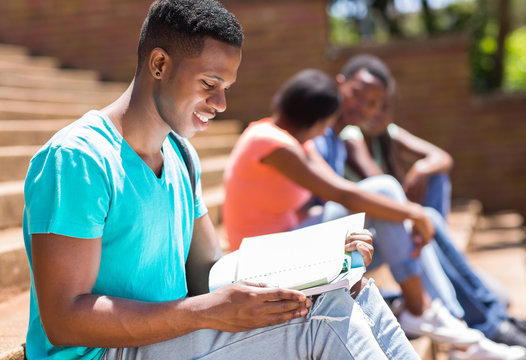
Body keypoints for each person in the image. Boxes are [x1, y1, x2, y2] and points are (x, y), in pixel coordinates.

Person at [22, 1, 423, 359]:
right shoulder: (78, 159)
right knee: (325, 321)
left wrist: (319, 256)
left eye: (226, 88)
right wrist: (208, 312)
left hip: (173, 335)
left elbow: (208, 273)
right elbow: (64, 319)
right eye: (209, 85)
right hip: (104, 353)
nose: (221, 104)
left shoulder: (181, 155)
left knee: (353, 292)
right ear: (159, 65)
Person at [223, 68, 490, 351]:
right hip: (263, 262)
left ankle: (440, 316)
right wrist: (414, 212)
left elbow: (336, 190)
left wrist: (404, 216)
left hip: (287, 244)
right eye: (326, 124)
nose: (326, 131)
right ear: (316, 119)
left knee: (391, 230)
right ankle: (425, 311)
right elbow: (341, 193)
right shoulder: (270, 141)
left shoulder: (294, 140)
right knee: (384, 190)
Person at [313, 53, 526, 357]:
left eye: (374, 103)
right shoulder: (344, 135)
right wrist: (414, 214)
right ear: (339, 84)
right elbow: (381, 194)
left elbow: (442, 159)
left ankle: (488, 319)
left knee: (495, 292)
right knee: (421, 216)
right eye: (357, 94)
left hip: (393, 235)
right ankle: (476, 324)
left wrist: (419, 172)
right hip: (365, 237)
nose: (364, 107)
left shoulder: (379, 133)